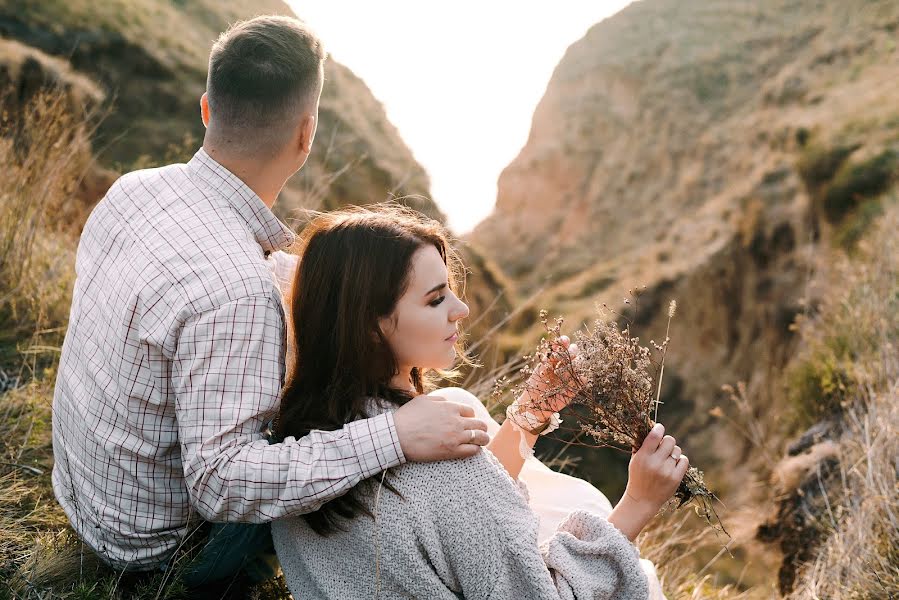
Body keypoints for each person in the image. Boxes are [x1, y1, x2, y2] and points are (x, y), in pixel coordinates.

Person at [50, 15, 490, 587]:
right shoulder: (241, 294)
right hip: (155, 553)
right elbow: (221, 484)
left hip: (82, 494)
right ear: (306, 135)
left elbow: (225, 277)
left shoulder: (134, 190)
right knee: (362, 431)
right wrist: (395, 436)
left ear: (207, 108)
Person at [271, 205, 687, 598]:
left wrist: (529, 416)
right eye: (435, 299)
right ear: (367, 326)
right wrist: (638, 503)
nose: (462, 308)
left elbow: (458, 524)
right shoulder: (449, 467)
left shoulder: (296, 451)